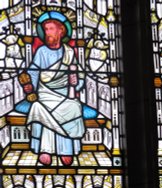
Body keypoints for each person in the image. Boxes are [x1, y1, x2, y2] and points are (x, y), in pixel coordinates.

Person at [23, 12, 85, 166]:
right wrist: (30, 87)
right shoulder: (42, 52)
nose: (47, 33)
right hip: (45, 92)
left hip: (65, 93)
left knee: (74, 106)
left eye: (50, 29)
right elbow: (33, 72)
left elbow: (79, 75)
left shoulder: (69, 53)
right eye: (45, 29)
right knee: (45, 108)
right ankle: (46, 149)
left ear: (61, 31)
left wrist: (76, 82)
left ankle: (66, 149)